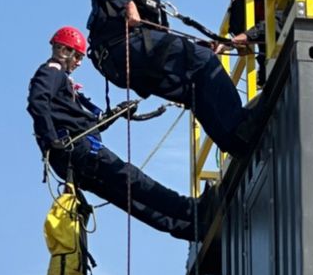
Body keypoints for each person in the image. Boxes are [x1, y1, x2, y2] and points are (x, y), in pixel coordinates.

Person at [85, 0, 264, 157]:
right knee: (203, 59)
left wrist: (201, 46)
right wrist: (127, 3)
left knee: (192, 89)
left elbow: (165, 44)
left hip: (124, 61)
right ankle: (242, 124)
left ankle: (234, 144)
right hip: (126, 47)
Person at [28, 26, 212, 242]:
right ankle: (192, 209)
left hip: (70, 161)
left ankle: (187, 228)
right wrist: (51, 138)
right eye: (76, 56)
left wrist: (115, 114)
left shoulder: (60, 82)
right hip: (78, 151)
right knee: (134, 180)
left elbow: (82, 123)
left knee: (128, 199)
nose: (78, 63)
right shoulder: (52, 71)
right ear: (63, 50)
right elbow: (37, 101)